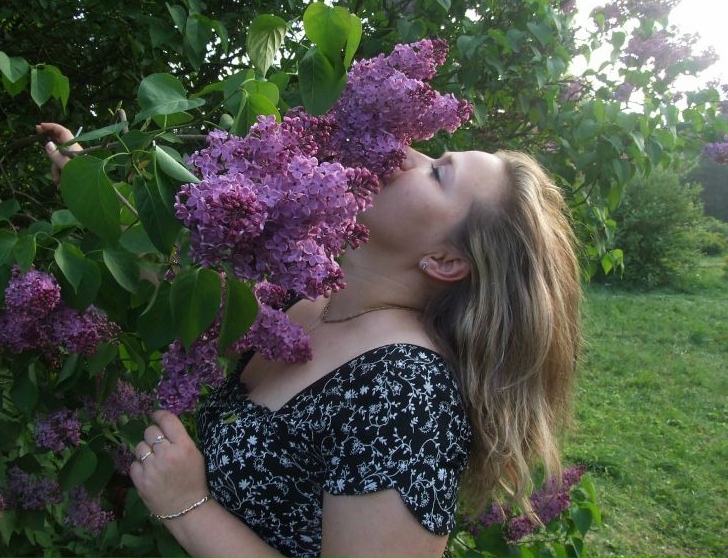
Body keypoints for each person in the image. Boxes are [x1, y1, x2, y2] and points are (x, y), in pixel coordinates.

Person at [36, 123, 581, 558]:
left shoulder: (407, 393)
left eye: (439, 173)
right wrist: (92, 187)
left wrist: (189, 505)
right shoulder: (312, 296)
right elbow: (189, 289)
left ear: (445, 260)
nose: (409, 153)